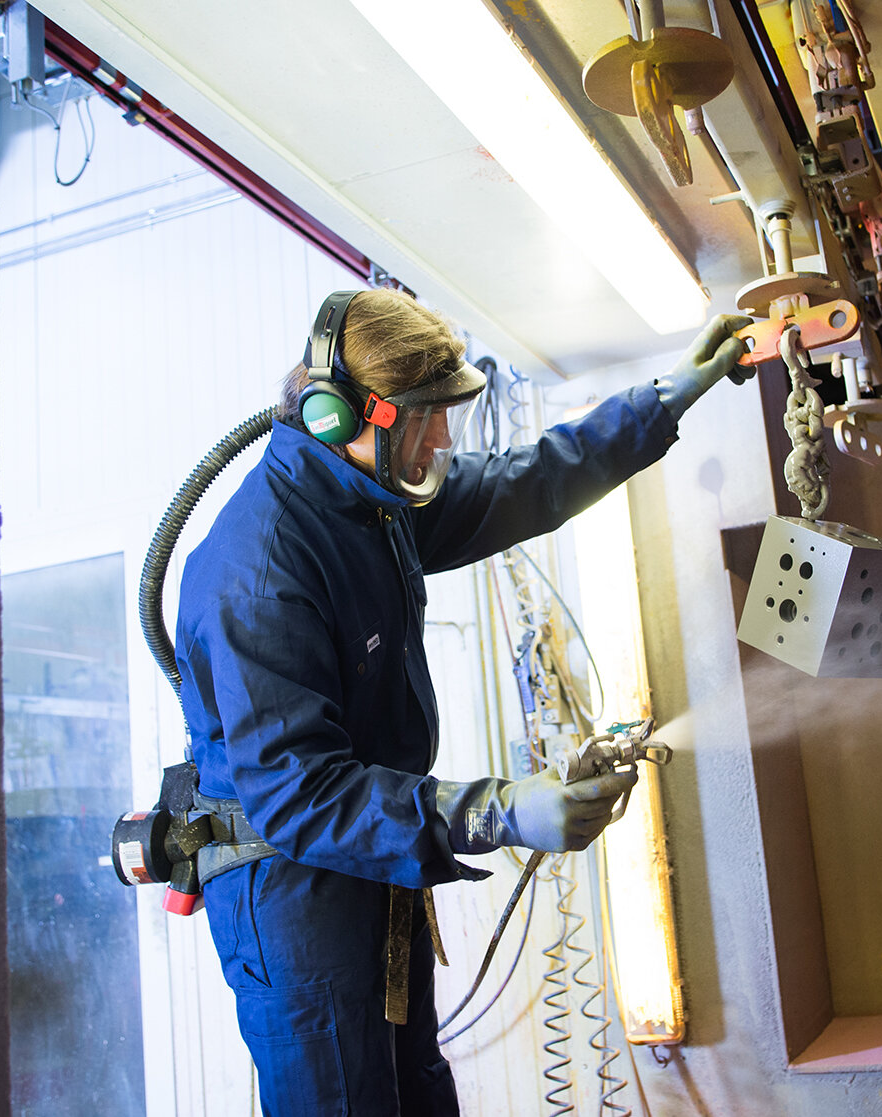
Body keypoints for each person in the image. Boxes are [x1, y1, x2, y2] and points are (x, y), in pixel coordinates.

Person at [175, 288, 751, 1115]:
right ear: (346, 415)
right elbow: (299, 794)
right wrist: (500, 811)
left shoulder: (370, 504)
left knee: (419, 1097)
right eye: (426, 417)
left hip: (365, 864)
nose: (442, 438)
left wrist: (663, 402)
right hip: (294, 891)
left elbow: (526, 483)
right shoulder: (260, 570)